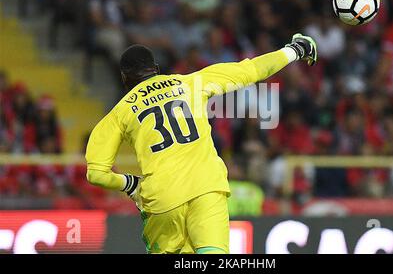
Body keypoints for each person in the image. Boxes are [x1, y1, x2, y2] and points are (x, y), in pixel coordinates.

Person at [85, 33, 317, 254]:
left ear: (124, 78)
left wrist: (131, 184)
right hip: (206, 186)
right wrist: (294, 50)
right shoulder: (191, 83)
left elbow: (96, 174)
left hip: (162, 198)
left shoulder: (118, 114)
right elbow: (251, 70)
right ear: (156, 69)